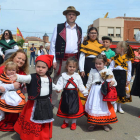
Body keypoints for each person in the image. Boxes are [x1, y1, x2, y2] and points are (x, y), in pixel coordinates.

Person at [10, 55, 59, 140]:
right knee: (32, 119)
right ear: (35, 66)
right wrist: (17, 77)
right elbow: (24, 78)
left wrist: (58, 88)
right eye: (38, 66)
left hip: (45, 103)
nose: (40, 69)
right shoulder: (31, 77)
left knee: (44, 119)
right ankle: (31, 136)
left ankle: (42, 136)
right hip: (34, 103)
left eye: (43, 67)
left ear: (48, 68)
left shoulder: (48, 78)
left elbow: (52, 86)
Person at [50, 6, 82, 106]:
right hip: (61, 59)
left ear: (76, 16)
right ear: (66, 15)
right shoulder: (59, 27)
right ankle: (52, 104)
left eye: (73, 14)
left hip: (74, 59)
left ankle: (69, 104)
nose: (71, 16)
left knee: (72, 81)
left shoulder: (79, 29)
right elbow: (53, 44)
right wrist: (53, 60)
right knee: (57, 80)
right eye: (69, 14)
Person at [85, 54, 118, 132]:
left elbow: (114, 82)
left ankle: (104, 123)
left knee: (103, 107)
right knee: (94, 106)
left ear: (105, 63)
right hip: (94, 91)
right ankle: (93, 123)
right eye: (96, 63)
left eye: (100, 64)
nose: (98, 65)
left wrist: (112, 82)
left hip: (103, 91)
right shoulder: (92, 70)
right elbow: (89, 82)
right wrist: (86, 92)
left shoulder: (107, 71)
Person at [56, 57, 88, 130]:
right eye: (70, 66)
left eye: (74, 67)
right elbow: (59, 84)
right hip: (65, 95)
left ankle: (74, 123)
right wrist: (58, 89)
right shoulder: (63, 76)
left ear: (76, 68)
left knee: (74, 109)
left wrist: (85, 93)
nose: (72, 68)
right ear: (67, 66)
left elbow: (81, 86)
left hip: (74, 95)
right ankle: (66, 122)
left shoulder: (77, 76)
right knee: (66, 108)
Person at [0, 49, 29, 132]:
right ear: (13, 57)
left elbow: (24, 91)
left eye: (23, 60)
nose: (21, 61)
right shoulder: (3, 69)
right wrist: (11, 86)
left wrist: (24, 87)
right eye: (19, 58)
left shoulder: (22, 73)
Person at [79, 27, 106, 105]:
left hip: (97, 65)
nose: (93, 34)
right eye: (91, 33)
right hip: (87, 65)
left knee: (96, 83)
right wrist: (81, 69)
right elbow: (81, 57)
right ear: (88, 34)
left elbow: (103, 57)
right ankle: (84, 104)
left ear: (97, 34)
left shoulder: (100, 45)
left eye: (95, 33)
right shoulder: (85, 44)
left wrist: (104, 68)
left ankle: (95, 103)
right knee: (86, 84)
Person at [109, 41, 134, 114]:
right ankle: (115, 107)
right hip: (115, 75)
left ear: (122, 49)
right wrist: (109, 76)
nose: (116, 49)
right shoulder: (115, 58)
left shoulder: (128, 58)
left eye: (117, 47)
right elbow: (111, 67)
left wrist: (128, 79)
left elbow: (129, 70)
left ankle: (119, 107)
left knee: (122, 91)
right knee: (115, 91)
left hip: (123, 76)